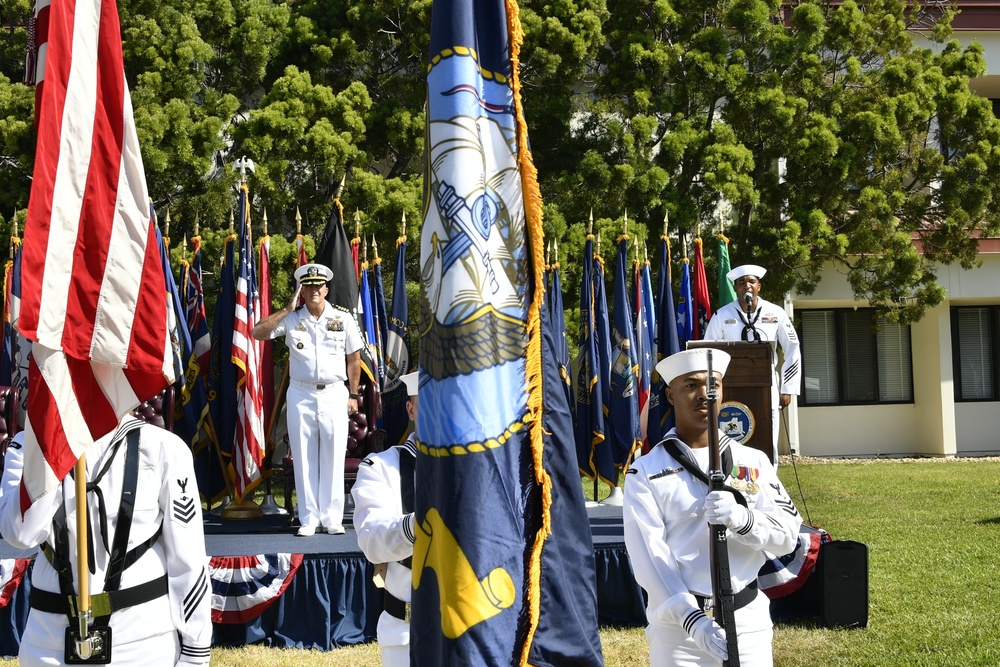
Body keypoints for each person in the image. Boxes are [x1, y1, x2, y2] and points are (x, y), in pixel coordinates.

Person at [624, 348, 801, 667]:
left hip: (748, 625)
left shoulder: (754, 462)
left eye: (713, 385)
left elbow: (788, 535)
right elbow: (649, 557)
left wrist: (744, 520)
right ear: (671, 395)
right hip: (680, 635)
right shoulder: (645, 472)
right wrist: (692, 620)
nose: (704, 395)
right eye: (691, 385)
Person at [0, 415, 212, 666]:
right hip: (48, 644)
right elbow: (21, 534)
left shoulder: (163, 447)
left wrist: (195, 653)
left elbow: (188, 559)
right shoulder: (27, 447)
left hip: (142, 645)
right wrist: (50, 449)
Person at [253, 262, 364, 537]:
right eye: (308, 286)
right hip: (301, 392)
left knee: (334, 455)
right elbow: (258, 332)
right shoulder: (292, 319)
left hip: (335, 392)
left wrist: (352, 394)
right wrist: (286, 310)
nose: (314, 290)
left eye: (318, 286)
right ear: (302, 291)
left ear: (326, 289)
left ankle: (332, 517)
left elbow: (354, 359)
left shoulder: (343, 319)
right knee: (303, 457)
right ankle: (309, 519)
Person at [351, 371, 420, 667]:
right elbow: (371, 540)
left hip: (477, 627)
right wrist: (423, 525)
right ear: (411, 409)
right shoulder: (380, 467)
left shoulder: (483, 470)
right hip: (408, 633)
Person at [703, 264, 801, 464]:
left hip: (768, 385)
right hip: (730, 386)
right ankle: (731, 478)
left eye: (751, 282)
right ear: (736, 288)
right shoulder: (722, 315)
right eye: (741, 283)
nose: (746, 286)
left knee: (768, 433)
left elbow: (793, 348)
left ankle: (769, 481)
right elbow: (709, 351)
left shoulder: (776, 313)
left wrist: (787, 388)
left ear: (759, 287)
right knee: (731, 433)